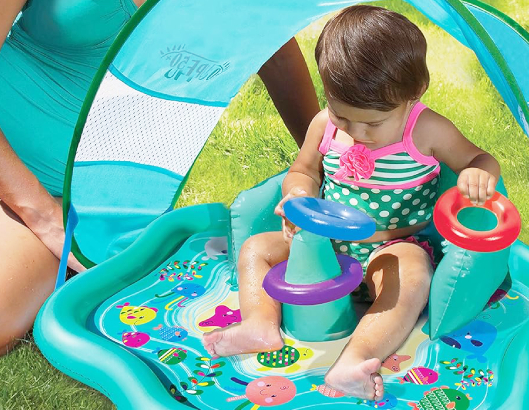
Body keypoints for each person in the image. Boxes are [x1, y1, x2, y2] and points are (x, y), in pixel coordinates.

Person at [202, 5, 501, 402]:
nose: (357, 133)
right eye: (344, 117)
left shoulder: (427, 130)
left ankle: (354, 362)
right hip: (323, 244)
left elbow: (480, 158)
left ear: (413, 95)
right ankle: (260, 326)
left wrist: (477, 173)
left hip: (390, 246)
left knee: (412, 274)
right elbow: (304, 170)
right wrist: (297, 196)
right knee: (257, 247)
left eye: (373, 123)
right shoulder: (324, 125)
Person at [0, 0, 320, 356]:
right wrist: (43, 217)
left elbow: (274, 45)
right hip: (18, 174)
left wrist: (323, 163)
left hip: (77, 202)